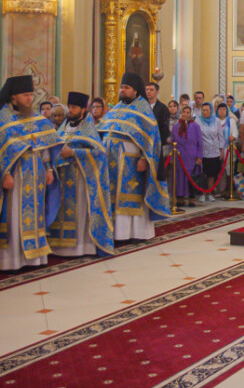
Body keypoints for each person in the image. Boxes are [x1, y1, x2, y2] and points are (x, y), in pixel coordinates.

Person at [0, 76, 60, 271]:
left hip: (36, 174)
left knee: (35, 213)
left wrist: (48, 169)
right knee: (13, 215)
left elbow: (44, 144)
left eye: (32, 95)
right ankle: (12, 259)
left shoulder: (34, 117)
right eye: (26, 95)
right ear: (14, 97)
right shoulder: (1, 119)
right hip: (15, 175)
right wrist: (5, 174)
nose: (30, 99)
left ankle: (34, 257)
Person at [99, 72, 170, 241]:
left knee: (132, 198)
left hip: (132, 161)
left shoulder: (143, 109)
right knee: (115, 198)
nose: (122, 90)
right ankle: (118, 233)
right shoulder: (117, 108)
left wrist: (145, 158)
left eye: (126, 88)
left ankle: (137, 233)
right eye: (121, 87)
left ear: (135, 91)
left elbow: (152, 137)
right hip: (113, 162)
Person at [49, 92, 114, 258]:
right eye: (69, 107)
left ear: (83, 109)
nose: (70, 110)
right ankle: (60, 246)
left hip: (80, 178)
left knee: (78, 212)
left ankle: (81, 246)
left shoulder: (88, 128)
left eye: (74, 108)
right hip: (63, 176)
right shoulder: (64, 126)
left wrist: (74, 152)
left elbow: (99, 152)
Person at [170, 103, 203, 208]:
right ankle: (180, 199)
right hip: (180, 156)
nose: (185, 114)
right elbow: (173, 142)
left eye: (188, 112)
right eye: (184, 112)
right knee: (180, 178)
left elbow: (200, 142)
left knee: (191, 178)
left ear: (190, 114)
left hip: (191, 156)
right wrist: (171, 157)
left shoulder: (196, 126)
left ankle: (191, 199)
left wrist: (199, 156)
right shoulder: (176, 127)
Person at [195, 102, 225, 203]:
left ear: (211, 110)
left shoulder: (216, 121)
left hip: (214, 151)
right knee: (203, 174)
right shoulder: (198, 120)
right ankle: (202, 193)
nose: (205, 112)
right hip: (203, 151)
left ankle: (210, 193)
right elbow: (197, 136)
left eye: (207, 110)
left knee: (212, 174)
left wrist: (222, 149)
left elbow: (220, 136)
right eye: (203, 110)